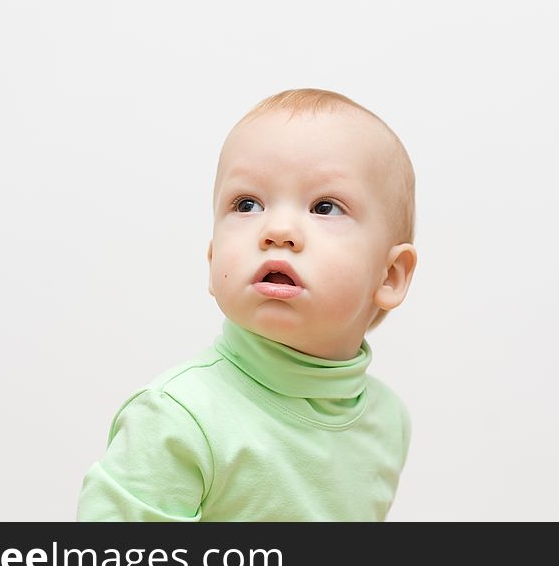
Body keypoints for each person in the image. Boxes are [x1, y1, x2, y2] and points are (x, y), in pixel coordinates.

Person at [77, 88, 418, 521]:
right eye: (247, 204)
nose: (277, 230)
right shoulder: (178, 419)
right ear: (213, 258)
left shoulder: (387, 421)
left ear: (389, 276)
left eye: (325, 207)